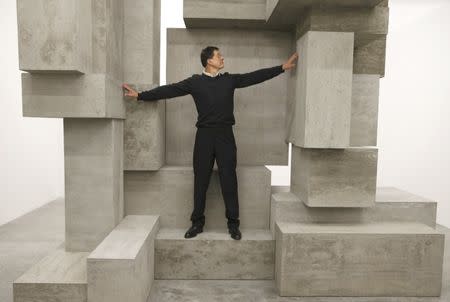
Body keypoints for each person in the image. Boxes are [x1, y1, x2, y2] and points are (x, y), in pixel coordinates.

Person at [122, 46, 298, 240]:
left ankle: (233, 224)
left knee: (229, 180)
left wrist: (282, 67)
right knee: (200, 181)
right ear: (209, 61)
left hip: (225, 137)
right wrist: (140, 95)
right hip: (204, 137)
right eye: (218, 55)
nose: (222, 58)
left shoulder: (229, 80)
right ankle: (197, 223)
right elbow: (169, 90)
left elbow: (254, 77)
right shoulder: (195, 82)